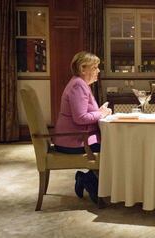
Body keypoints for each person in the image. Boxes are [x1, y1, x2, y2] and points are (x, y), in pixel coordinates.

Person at [53, 51, 112, 203]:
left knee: (115, 146)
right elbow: (80, 118)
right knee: (115, 148)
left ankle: (89, 179)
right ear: (83, 68)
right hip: (73, 141)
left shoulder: (79, 83)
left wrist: (99, 112)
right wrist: (102, 114)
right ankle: (89, 179)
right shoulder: (78, 85)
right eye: (95, 67)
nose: (98, 71)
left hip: (76, 137)